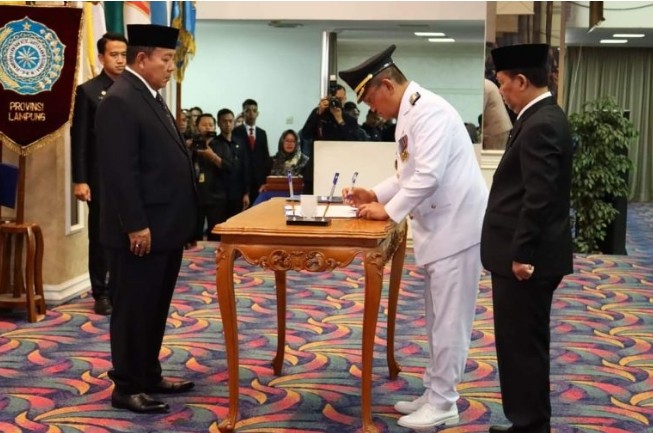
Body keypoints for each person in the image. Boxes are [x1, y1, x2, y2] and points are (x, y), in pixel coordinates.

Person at [339, 45, 488, 430]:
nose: (372, 110)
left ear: (387, 86)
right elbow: (408, 174)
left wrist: (388, 211)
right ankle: (435, 391)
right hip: (443, 229)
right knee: (437, 319)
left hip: (457, 230)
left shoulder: (428, 111)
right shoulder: (412, 112)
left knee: (450, 323)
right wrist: (375, 193)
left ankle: (444, 403)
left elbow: (428, 177)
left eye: (372, 100)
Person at [95, 24, 198, 414]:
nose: (171, 67)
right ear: (142, 59)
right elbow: (120, 172)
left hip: (164, 229)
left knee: (153, 308)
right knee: (133, 311)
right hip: (138, 232)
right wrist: (135, 224)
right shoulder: (120, 99)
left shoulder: (149, 96)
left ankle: (148, 374)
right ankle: (126, 386)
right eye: (166, 59)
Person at [481, 44, 573, 433]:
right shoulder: (538, 117)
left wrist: (522, 253)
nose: (500, 91)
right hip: (523, 254)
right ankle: (526, 422)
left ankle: (531, 425)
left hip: (526, 261)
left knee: (523, 348)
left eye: (502, 83)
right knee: (519, 345)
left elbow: (540, 196)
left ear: (521, 81)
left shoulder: (542, 123)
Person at [71, 32, 128, 316]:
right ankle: (101, 292)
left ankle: (121, 288)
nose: (120, 60)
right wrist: (80, 179)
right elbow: (79, 139)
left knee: (129, 232)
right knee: (101, 235)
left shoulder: (134, 89)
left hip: (129, 178)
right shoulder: (89, 91)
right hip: (100, 178)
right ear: (102, 57)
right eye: (114, 55)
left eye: (124, 55)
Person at [192, 113, 233, 241]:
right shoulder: (192, 145)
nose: (208, 127)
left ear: (215, 127)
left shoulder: (222, 144)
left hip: (216, 196)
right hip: (196, 196)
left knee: (215, 235)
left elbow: (229, 167)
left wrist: (212, 156)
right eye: (204, 125)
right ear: (197, 127)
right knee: (195, 234)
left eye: (211, 125)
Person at [232, 99, 270, 204]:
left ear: (258, 113)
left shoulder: (262, 133)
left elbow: (265, 157)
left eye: (254, 110)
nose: (251, 113)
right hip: (242, 180)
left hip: (259, 180)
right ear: (243, 113)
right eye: (248, 110)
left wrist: (266, 180)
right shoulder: (236, 132)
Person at [217, 108, 251, 219]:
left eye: (230, 121)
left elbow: (245, 168)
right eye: (224, 121)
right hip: (219, 195)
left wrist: (246, 193)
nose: (227, 124)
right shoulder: (214, 143)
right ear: (218, 123)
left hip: (237, 193)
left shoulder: (240, 143)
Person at [482, 78, 512, 150]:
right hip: (498, 128)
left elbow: (480, 109)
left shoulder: (483, 86)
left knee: (492, 155)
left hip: (496, 130)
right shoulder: (485, 83)